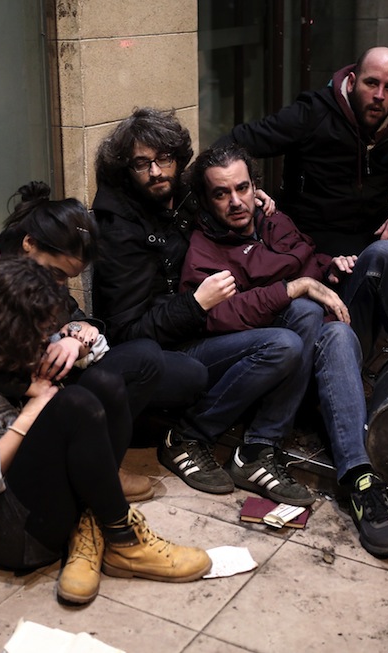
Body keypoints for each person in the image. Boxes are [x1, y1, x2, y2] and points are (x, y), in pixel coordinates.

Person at [0, 256, 212, 605]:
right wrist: (31, 411)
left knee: (108, 381)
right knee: (73, 402)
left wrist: (76, 339)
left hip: (45, 493)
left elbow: (97, 351)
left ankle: (92, 527)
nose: (39, 348)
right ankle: (122, 537)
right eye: (33, 341)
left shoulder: (9, 340)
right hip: (7, 529)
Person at [181, 143, 388, 557]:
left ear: (255, 186)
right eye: (221, 193)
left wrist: (328, 267)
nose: (236, 201)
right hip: (282, 358)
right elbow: (218, 317)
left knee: (386, 254)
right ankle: (357, 480)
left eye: (242, 188)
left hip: (324, 325)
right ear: (205, 199)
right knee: (318, 320)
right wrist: (295, 289)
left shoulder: (272, 219)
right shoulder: (204, 250)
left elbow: (305, 258)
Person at [0, 182, 205, 502]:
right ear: (29, 242)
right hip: (19, 396)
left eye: (67, 278)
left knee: (182, 371)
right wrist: (22, 384)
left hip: (56, 371)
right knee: (134, 367)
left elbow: (73, 314)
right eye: (57, 274)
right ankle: (100, 476)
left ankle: (102, 467)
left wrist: (79, 332)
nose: (60, 285)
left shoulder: (38, 267)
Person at [92, 107, 314, 507]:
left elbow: (225, 193)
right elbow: (126, 333)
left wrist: (252, 201)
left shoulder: (184, 195)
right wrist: (194, 304)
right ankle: (187, 438)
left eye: (164, 158)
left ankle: (260, 447)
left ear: (179, 159)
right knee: (281, 345)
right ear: (127, 169)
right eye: (142, 164)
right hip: (167, 349)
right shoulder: (120, 232)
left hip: (207, 324)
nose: (156, 171)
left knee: (303, 313)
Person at [218, 46, 388, 327]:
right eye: (371, 83)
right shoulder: (313, 113)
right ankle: (362, 333)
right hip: (317, 230)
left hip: (371, 224)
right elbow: (236, 142)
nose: (379, 95)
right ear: (352, 82)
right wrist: (246, 189)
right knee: (350, 286)